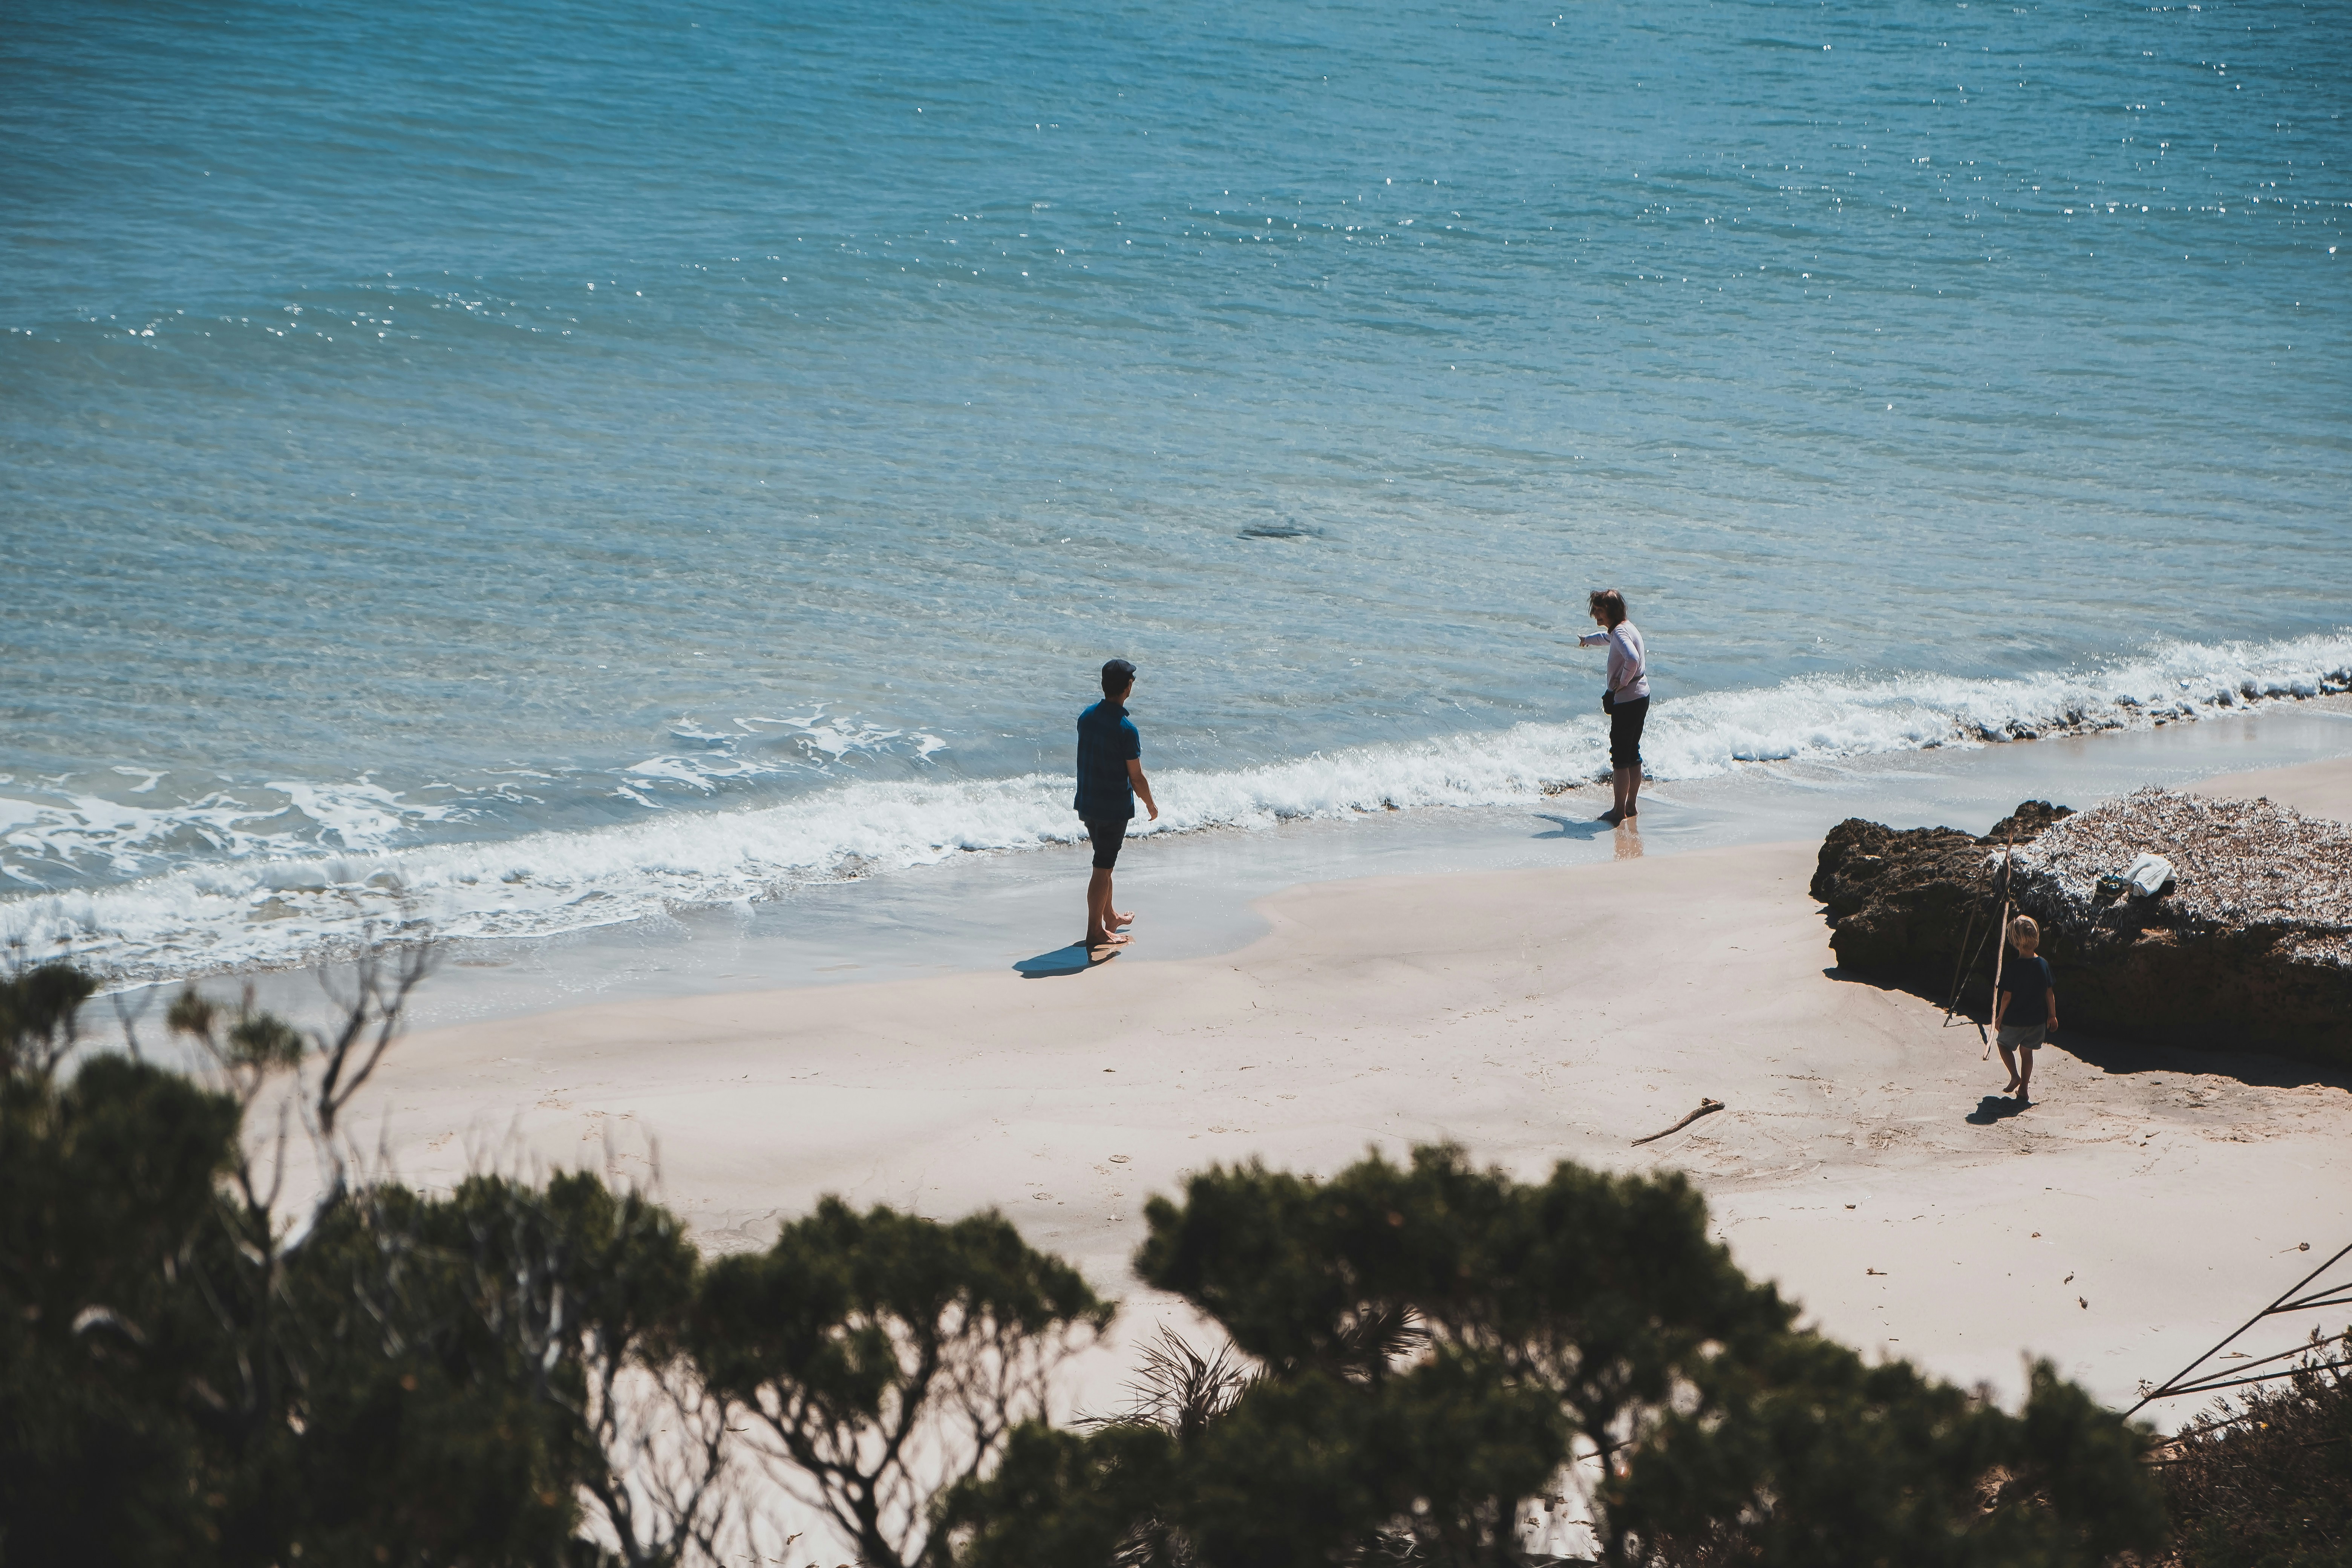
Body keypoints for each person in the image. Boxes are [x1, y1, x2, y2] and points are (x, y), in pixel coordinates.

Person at [1074, 658, 1158, 954]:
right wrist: (1151, 804)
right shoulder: (1126, 729)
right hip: (1111, 808)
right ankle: (1095, 931)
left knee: (1104, 862)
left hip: (1088, 802)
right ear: (1128, 687)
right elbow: (1136, 776)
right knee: (1103, 867)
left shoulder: (1086, 717)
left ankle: (1109, 916)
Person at [1577, 589, 1649, 826]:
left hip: (1628, 700)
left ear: (1612, 611)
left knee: (1620, 757)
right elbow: (1605, 638)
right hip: (1641, 697)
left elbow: (1633, 658)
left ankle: (1619, 811)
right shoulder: (1625, 628)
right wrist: (1588, 639)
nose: (1596, 614)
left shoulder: (1619, 634)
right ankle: (1631, 805)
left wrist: (1620, 684)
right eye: (1595, 610)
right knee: (1632, 753)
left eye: (1600, 610)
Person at [1993, 914, 2058, 1104]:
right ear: (2036, 937)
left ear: (2015, 941)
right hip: (2037, 1022)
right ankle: (2024, 1090)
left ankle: (2015, 1076)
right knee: (2027, 1053)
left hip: (2015, 1020)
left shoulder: (2013, 968)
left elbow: (2007, 996)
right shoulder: (2043, 965)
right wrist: (2053, 1016)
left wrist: (1999, 1017)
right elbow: (2049, 993)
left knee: (2003, 1045)